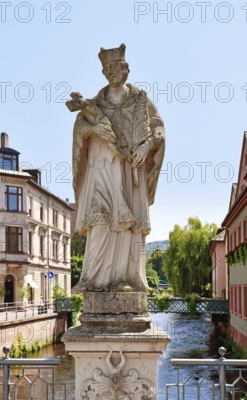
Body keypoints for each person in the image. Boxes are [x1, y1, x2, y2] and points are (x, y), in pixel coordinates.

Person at [69, 43, 165, 292]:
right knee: (100, 216)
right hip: (102, 166)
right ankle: (94, 278)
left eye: (115, 67)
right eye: (106, 69)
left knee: (130, 225)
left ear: (125, 70)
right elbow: (80, 131)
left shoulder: (141, 100)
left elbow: (158, 128)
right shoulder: (94, 105)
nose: (110, 72)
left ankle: (127, 278)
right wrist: (93, 129)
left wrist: (147, 146)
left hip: (133, 168)